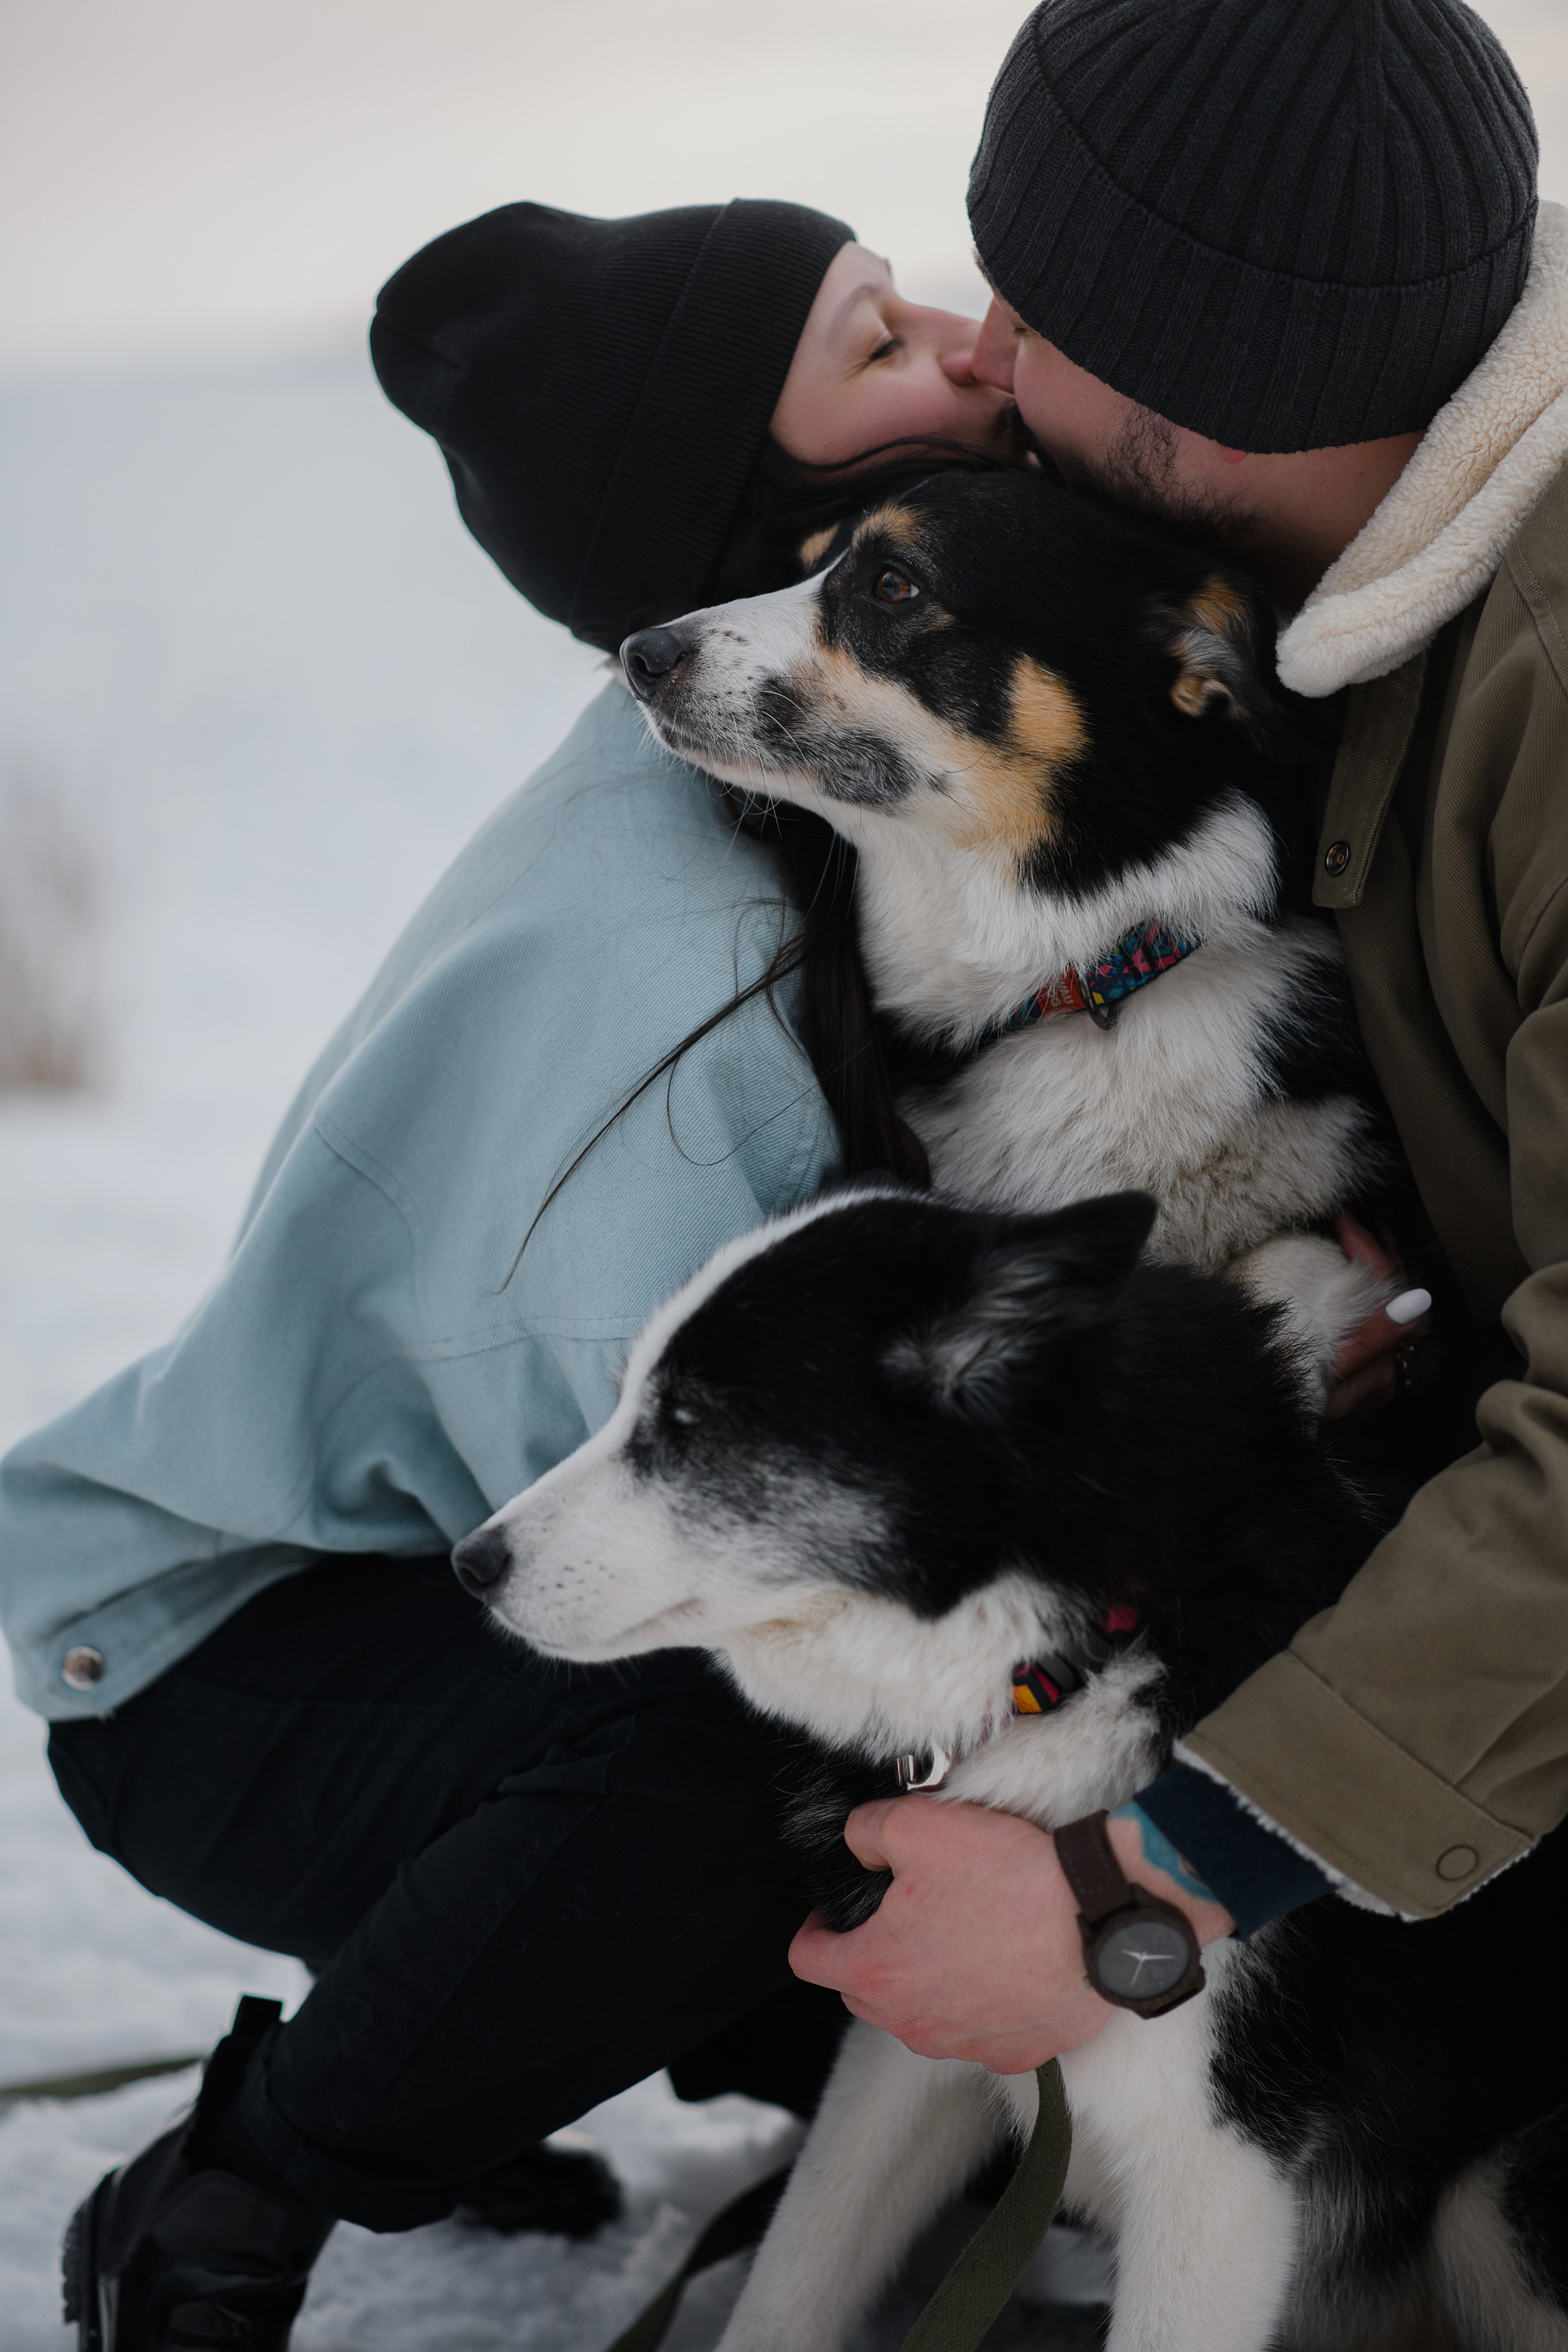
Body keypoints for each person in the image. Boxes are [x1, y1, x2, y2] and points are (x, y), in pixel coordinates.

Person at [2, 197, 1021, 2352]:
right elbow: (693, 1542)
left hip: (433, 1560)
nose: (968, 343)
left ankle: (483, 2035)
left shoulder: (838, 800)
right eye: (879, 343)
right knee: (733, 1775)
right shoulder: (666, 974)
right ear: (763, 513)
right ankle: (232, 2195)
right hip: (219, 1661)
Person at [790, 0, 1568, 2081]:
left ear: (1209, 373)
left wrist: (1148, 1884)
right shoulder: (1373, 600)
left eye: (1034, 309)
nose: (979, 349)